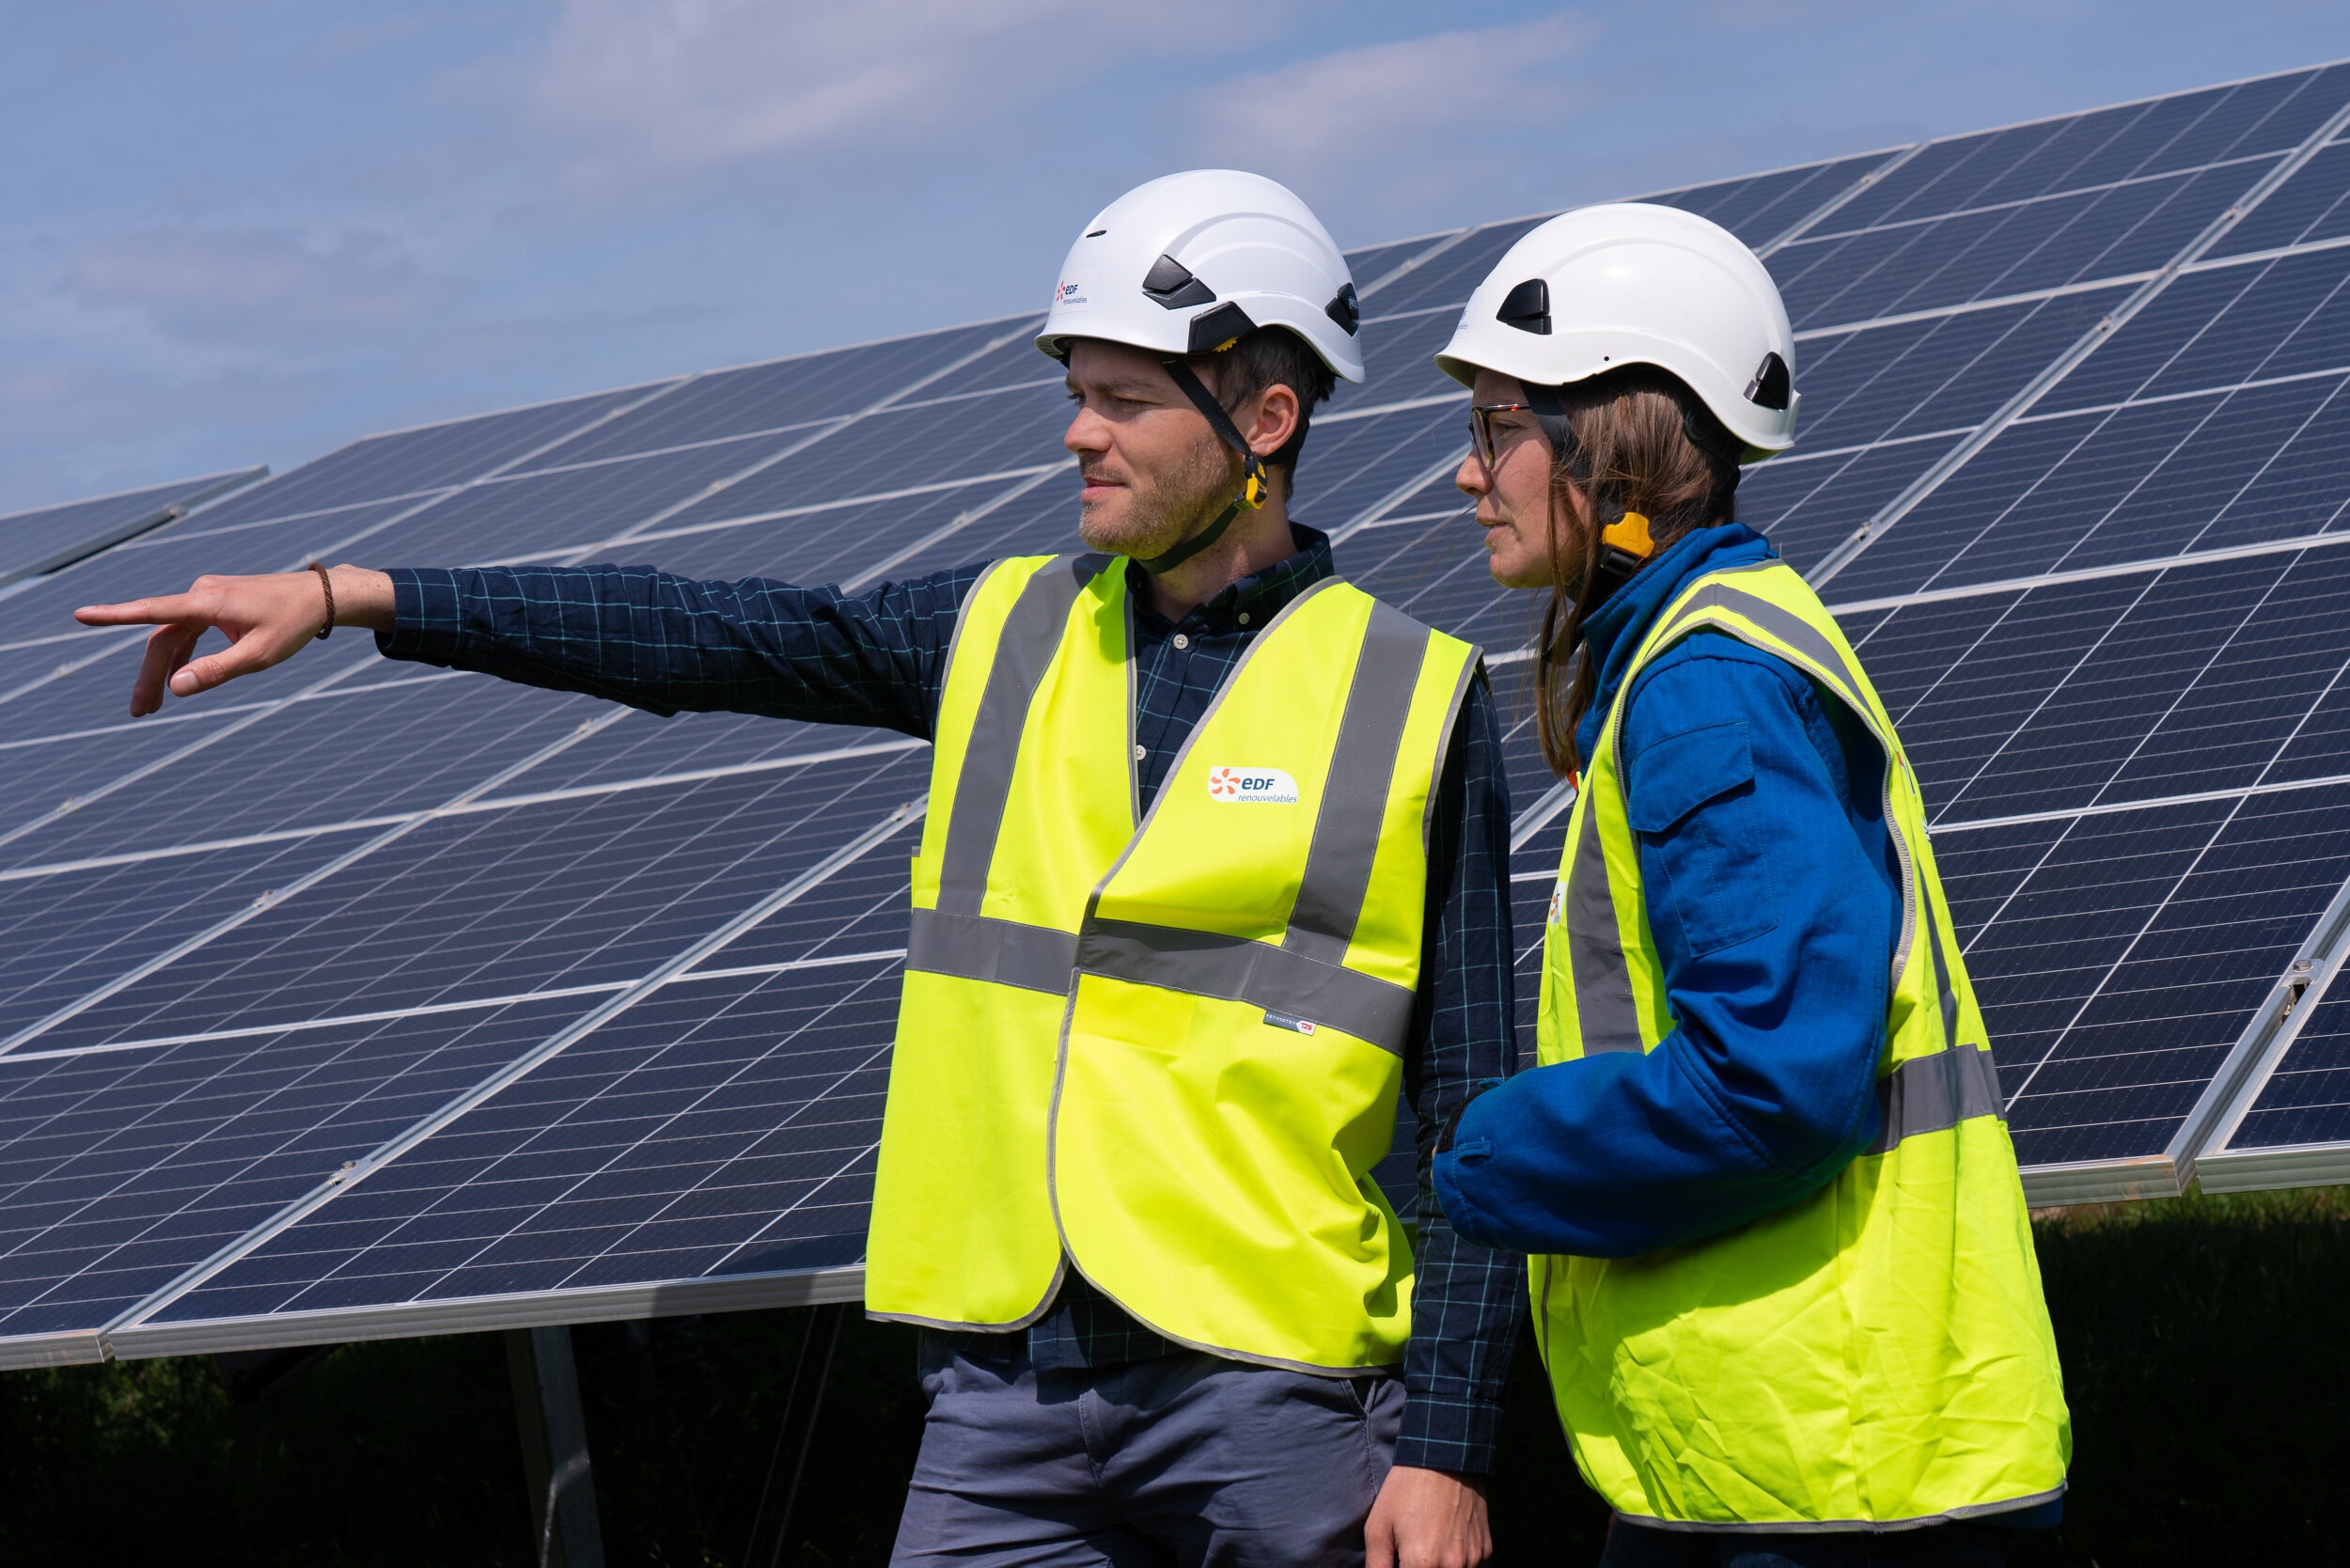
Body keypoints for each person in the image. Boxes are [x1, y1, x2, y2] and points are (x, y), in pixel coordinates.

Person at [79, 171, 1521, 1568]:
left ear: (1265, 418)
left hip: (1272, 1399)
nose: (1078, 435)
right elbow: (700, 635)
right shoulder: (995, 628)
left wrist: (1447, 1452)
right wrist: (356, 597)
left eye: (1123, 400)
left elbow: (1473, 1123)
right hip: (1003, 1395)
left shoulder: (1412, 695)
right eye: (1074, 393)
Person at [1425, 203, 2071, 1566]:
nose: (1468, 475)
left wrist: (1478, 1156)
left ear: (1611, 442)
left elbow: (1771, 1085)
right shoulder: (1707, 648)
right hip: (1821, 1463)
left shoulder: (1706, 691)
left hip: (1830, 1486)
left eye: (1496, 428)